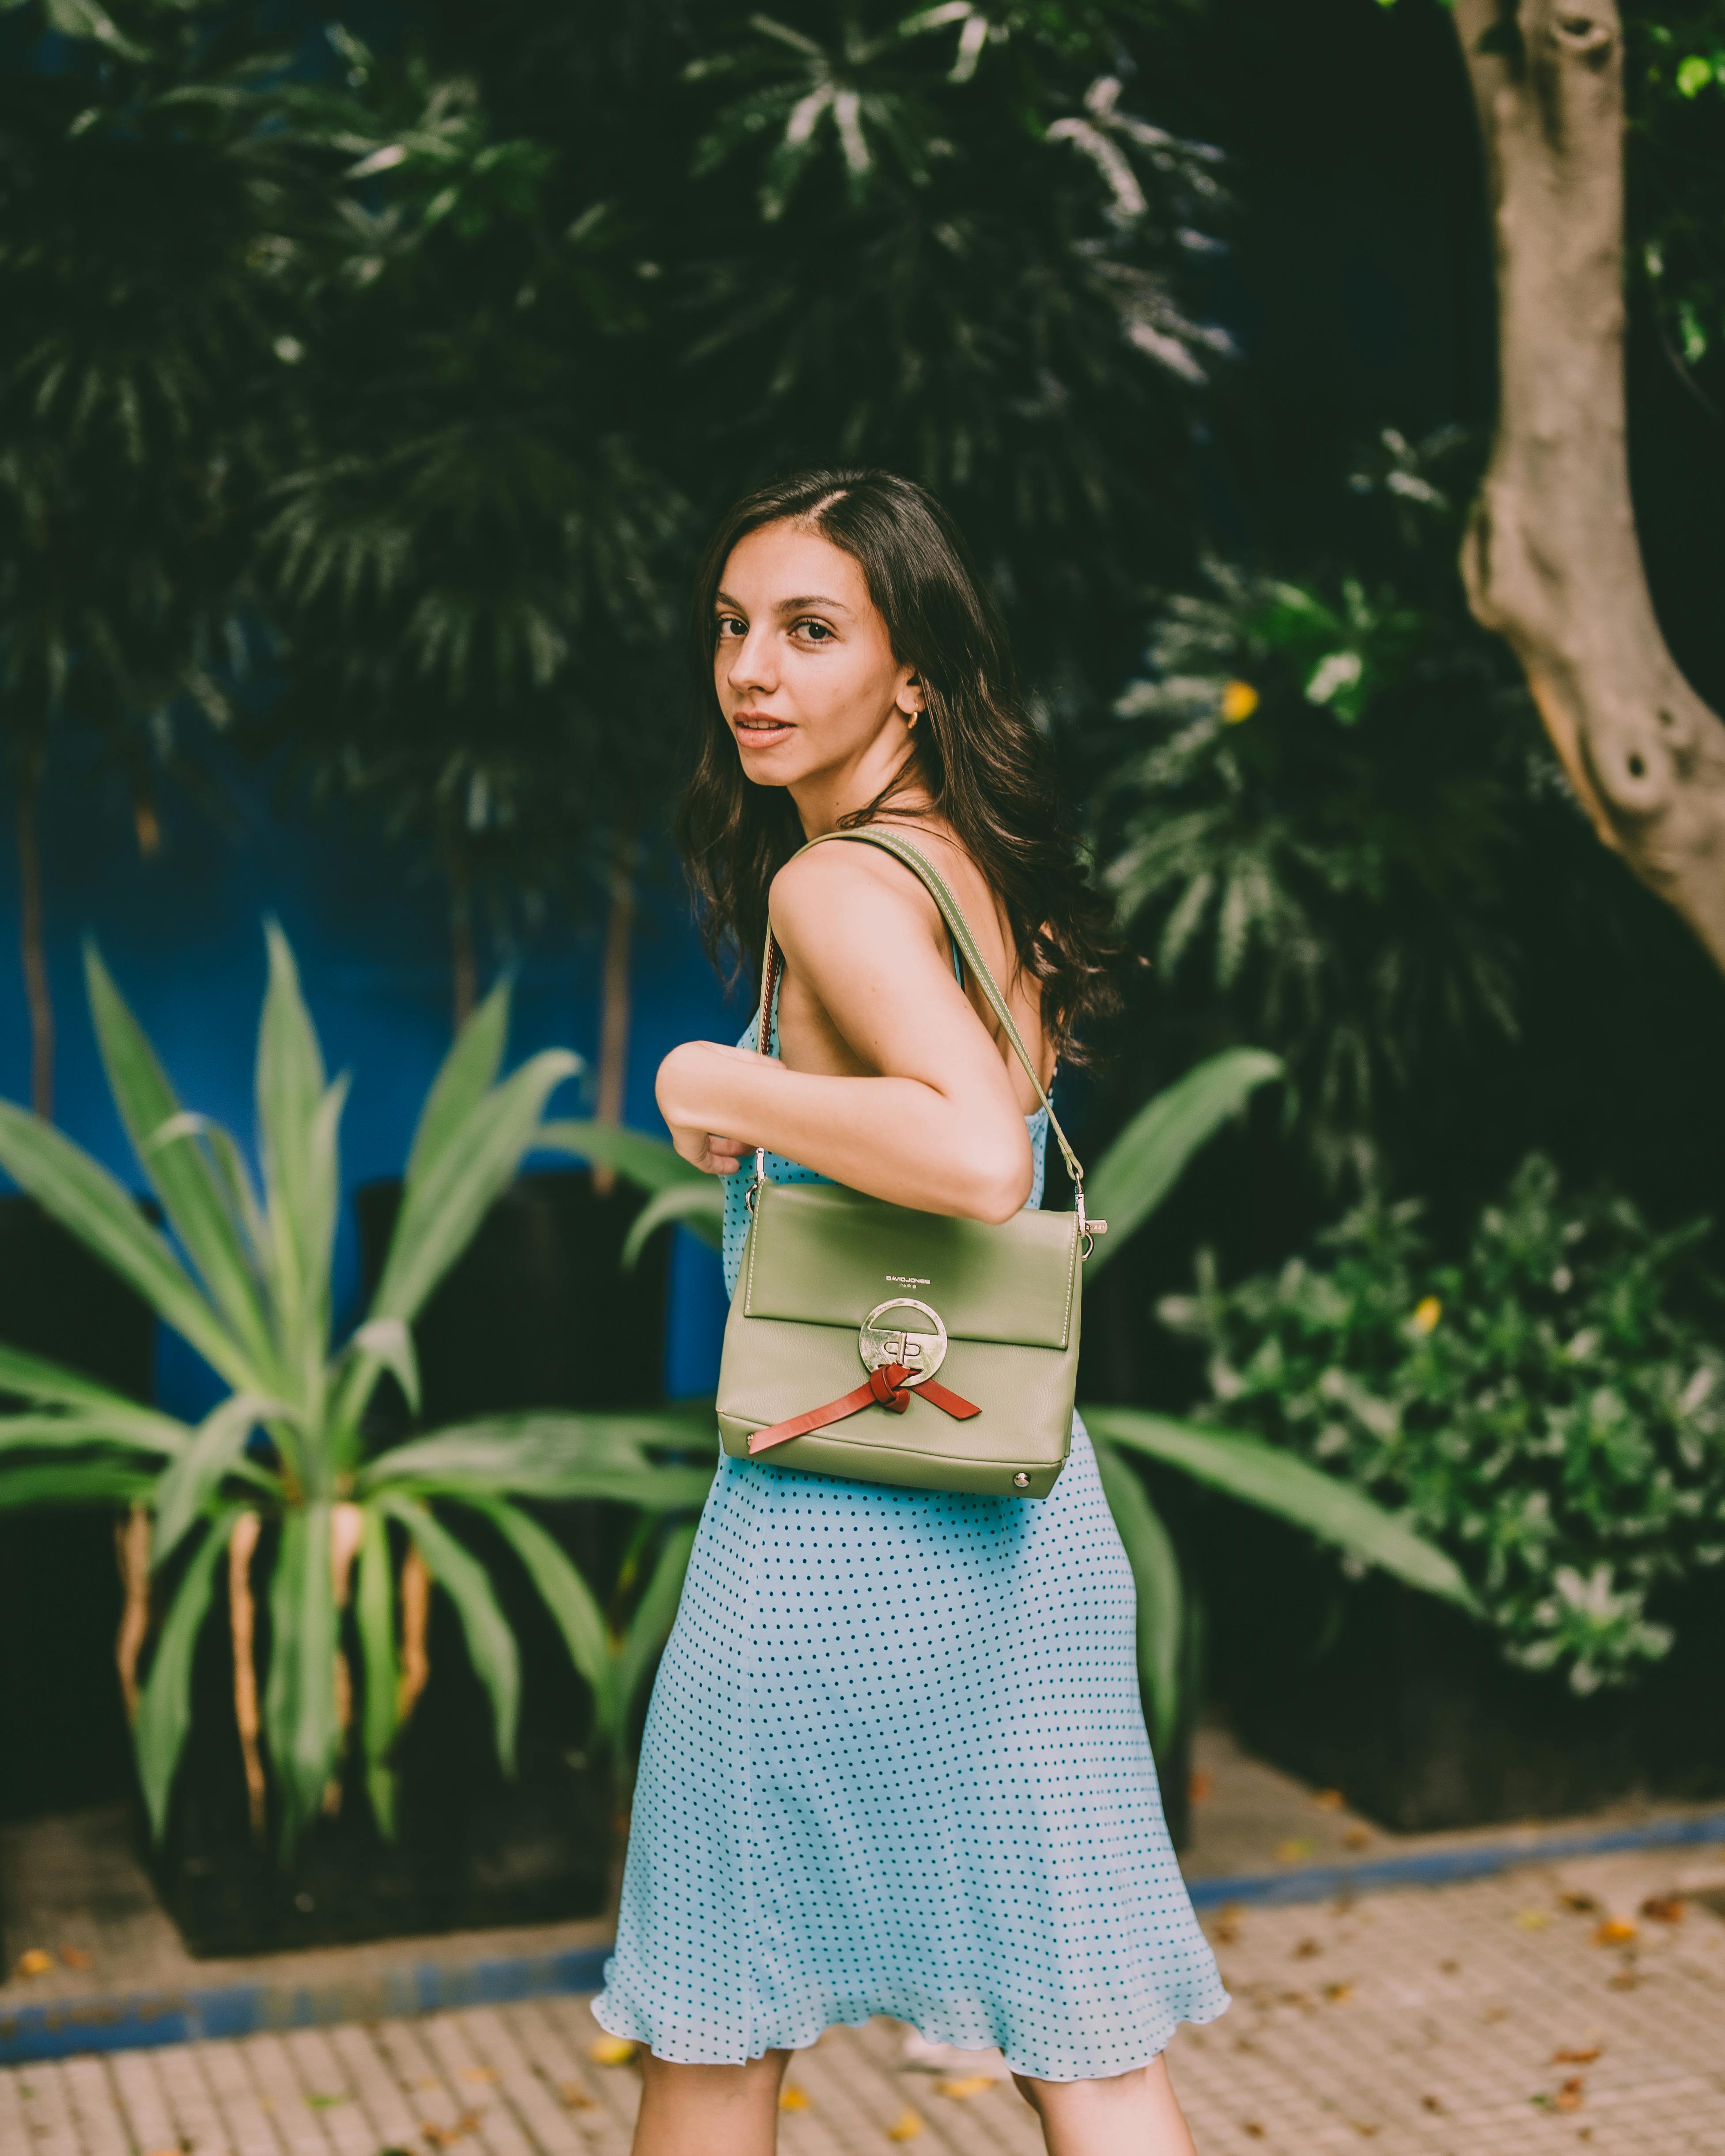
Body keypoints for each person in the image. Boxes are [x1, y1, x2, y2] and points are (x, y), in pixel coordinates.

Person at [593, 469, 1227, 2155]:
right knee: (1090, 2042)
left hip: (827, 1521)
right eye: (732, 626)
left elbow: (972, 1157)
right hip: (1027, 1527)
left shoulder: (830, 888)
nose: (752, 670)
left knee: (712, 2010)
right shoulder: (968, 863)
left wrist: (716, 1078)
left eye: (810, 630)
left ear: (915, 674)